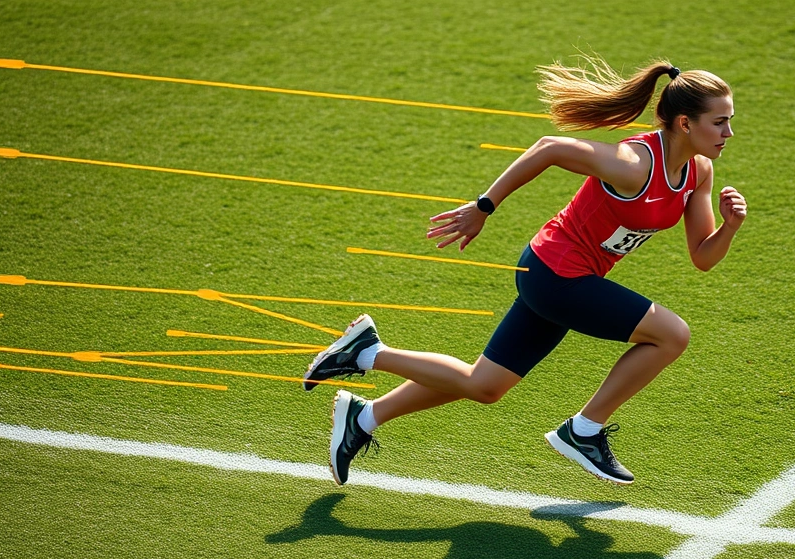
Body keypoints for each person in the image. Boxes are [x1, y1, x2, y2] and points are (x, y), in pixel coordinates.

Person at [304, 54, 747, 486]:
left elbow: (702, 257)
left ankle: (365, 407)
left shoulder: (698, 172)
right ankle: (584, 431)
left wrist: (729, 226)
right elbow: (550, 148)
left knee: (485, 385)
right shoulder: (633, 166)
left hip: (561, 277)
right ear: (685, 124)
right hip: (557, 274)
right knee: (673, 334)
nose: (729, 131)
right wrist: (483, 207)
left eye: (729, 120)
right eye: (720, 121)